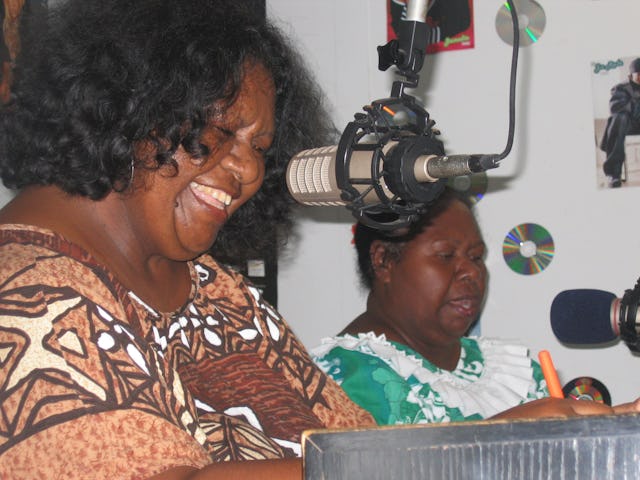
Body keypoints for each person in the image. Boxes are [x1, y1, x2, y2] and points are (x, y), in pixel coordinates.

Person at [0, 1, 375, 478]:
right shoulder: (24, 299)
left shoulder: (216, 290)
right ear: (126, 104)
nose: (249, 170)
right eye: (222, 129)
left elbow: (352, 445)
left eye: (260, 148)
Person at [313, 187, 638, 425]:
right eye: (446, 256)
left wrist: (612, 429)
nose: (471, 272)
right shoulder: (334, 379)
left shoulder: (514, 372)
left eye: (476, 257)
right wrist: (503, 433)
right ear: (384, 261)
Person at [600, 57, 640, 188]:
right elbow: (616, 108)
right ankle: (613, 173)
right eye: (639, 74)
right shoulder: (620, 88)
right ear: (630, 75)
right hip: (627, 125)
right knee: (619, 118)